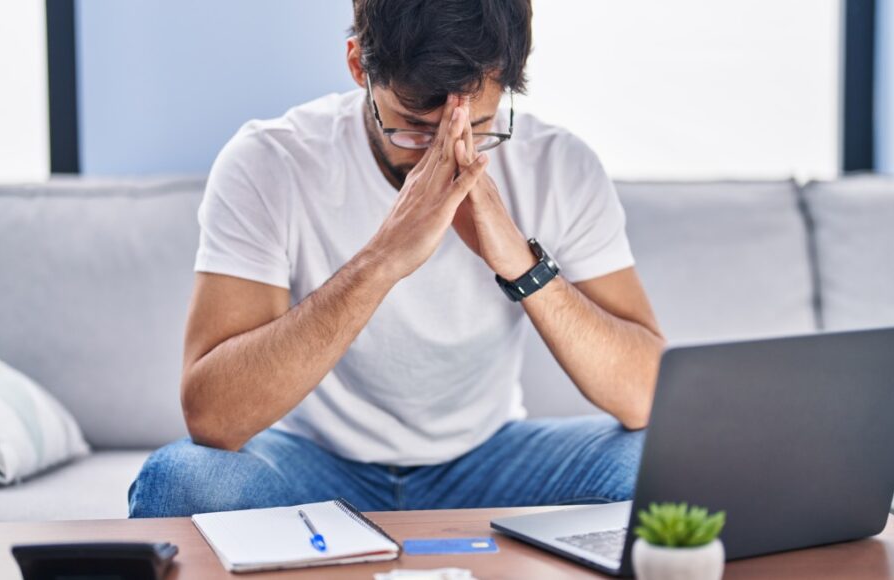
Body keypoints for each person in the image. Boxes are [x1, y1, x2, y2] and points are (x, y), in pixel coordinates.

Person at [129, 0, 665, 518]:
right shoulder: (270, 160)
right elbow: (213, 419)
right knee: (180, 482)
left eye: (477, 126)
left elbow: (646, 397)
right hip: (313, 465)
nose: (445, 153)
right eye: (414, 124)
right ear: (358, 64)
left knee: (661, 465)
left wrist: (524, 268)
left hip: (489, 461)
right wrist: (382, 259)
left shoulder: (559, 165)